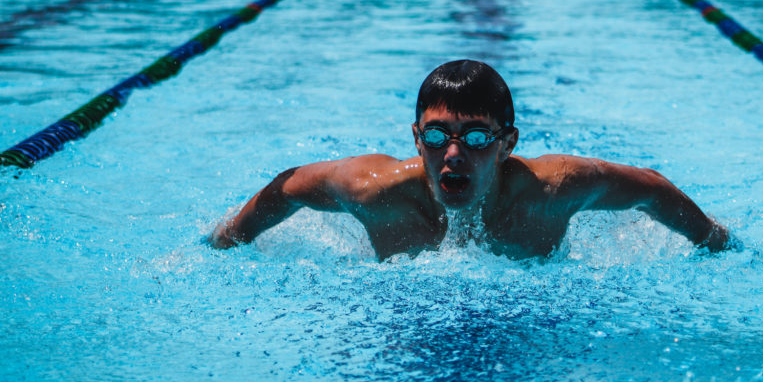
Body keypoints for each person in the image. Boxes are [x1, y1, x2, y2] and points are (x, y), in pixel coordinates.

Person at [211, 60, 732, 259]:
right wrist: (229, 239)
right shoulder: (373, 190)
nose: (453, 155)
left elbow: (650, 187)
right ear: (416, 139)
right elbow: (288, 185)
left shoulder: (554, 189)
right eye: (437, 135)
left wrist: (713, 241)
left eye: (477, 138)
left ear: (508, 144)